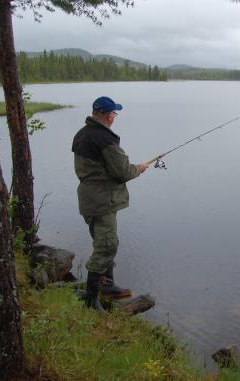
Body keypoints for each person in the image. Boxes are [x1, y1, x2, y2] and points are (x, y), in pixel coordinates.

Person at [72, 96, 149, 311]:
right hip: (102, 200)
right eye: (114, 113)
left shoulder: (83, 133)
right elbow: (123, 171)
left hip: (90, 197)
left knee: (104, 242)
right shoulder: (104, 139)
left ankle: (107, 286)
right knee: (106, 246)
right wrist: (139, 168)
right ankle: (91, 298)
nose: (115, 117)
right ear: (108, 115)